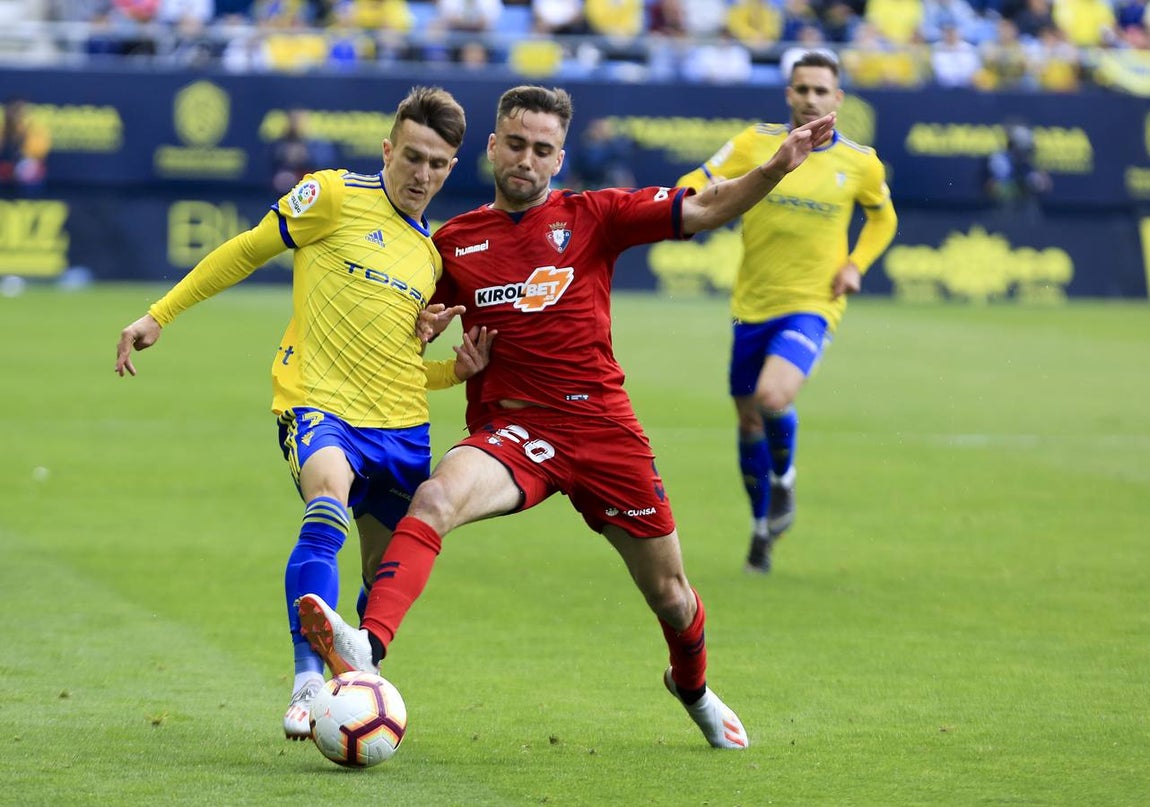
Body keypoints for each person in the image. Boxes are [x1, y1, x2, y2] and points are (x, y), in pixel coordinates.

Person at [296, 85, 836, 750]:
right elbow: (401, 326)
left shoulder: (597, 216)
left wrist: (776, 167)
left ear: (559, 159)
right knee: (433, 497)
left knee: (671, 594)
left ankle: (691, 686)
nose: (526, 158)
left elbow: (705, 207)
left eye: (541, 149)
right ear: (493, 147)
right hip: (514, 433)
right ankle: (368, 649)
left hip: (603, 430)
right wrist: (423, 327)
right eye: (515, 144)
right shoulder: (454, 243)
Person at [113, 86, 494, 741]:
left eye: (437, 163)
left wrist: (450, 372)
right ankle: (306, 683)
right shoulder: (335, 196)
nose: (422, 173)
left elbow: (400, 359)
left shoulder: (430, 256)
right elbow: (247, 248)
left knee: (382, 582)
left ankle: (358, 678)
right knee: (325, 505)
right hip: (319, 404)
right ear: (387, 148)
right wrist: (159, 314)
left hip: (401, 428)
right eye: (412, 156)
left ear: (452, 167)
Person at [676, 51, 898, 574]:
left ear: (838, 100)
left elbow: (883, 220)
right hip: (751, 304)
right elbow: (696, 177)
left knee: (773, 397)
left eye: (822, 90)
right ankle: (760, 530)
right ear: (789, 95)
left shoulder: (861, 162)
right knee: (748, 420)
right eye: (802, 89)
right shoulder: (756, 143)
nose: (811, 99)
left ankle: (785, 480)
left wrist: (856, 264)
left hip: (813, 304)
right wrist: (679, 203)